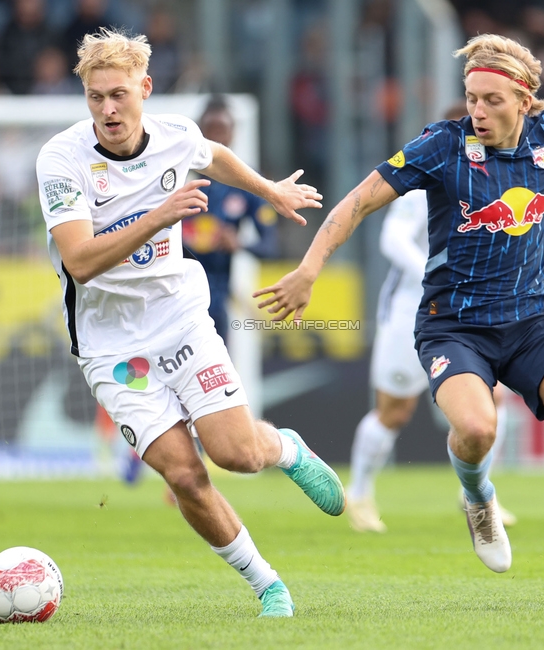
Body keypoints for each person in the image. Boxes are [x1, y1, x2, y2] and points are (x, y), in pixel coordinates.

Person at [255, 33, 544, 605]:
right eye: (471, 97)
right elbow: (357, 201)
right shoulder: (441, 145)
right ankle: (478, 498)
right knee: (477, 430)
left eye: (492, 100)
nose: (477, 111)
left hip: (531, 317)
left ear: (525, 100)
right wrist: (309, 268)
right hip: (453, 324)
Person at [35, 28, 345, 618]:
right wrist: (158, 217)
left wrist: (269, 188)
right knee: (183, 473)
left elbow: (213, 156)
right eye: (96, 97)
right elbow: (78, 261)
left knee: (237, 455)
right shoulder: (61, 159)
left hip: (178, 320)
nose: (108, 110)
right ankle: (268, 586)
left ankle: (285, 449)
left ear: (145, 89)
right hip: (109, 346)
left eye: (119, 95)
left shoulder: (175, 135)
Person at [347, 104, 518, 533]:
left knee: (493, 403)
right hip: (414, 307)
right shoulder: (430, 175)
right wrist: (435, 268)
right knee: (394, 411)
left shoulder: (503, 179)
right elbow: (391, 238)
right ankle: (361, 493)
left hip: (472, 310)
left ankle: (475, 494)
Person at [182, 96, 279, 341]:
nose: (216, 138)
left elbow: (270, 245)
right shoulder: (174, 178)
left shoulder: (248, 186)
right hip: (170, 294)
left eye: (221, 130)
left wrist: (239, 243)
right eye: (209, 130)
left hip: (216, 299)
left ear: (233, 133)